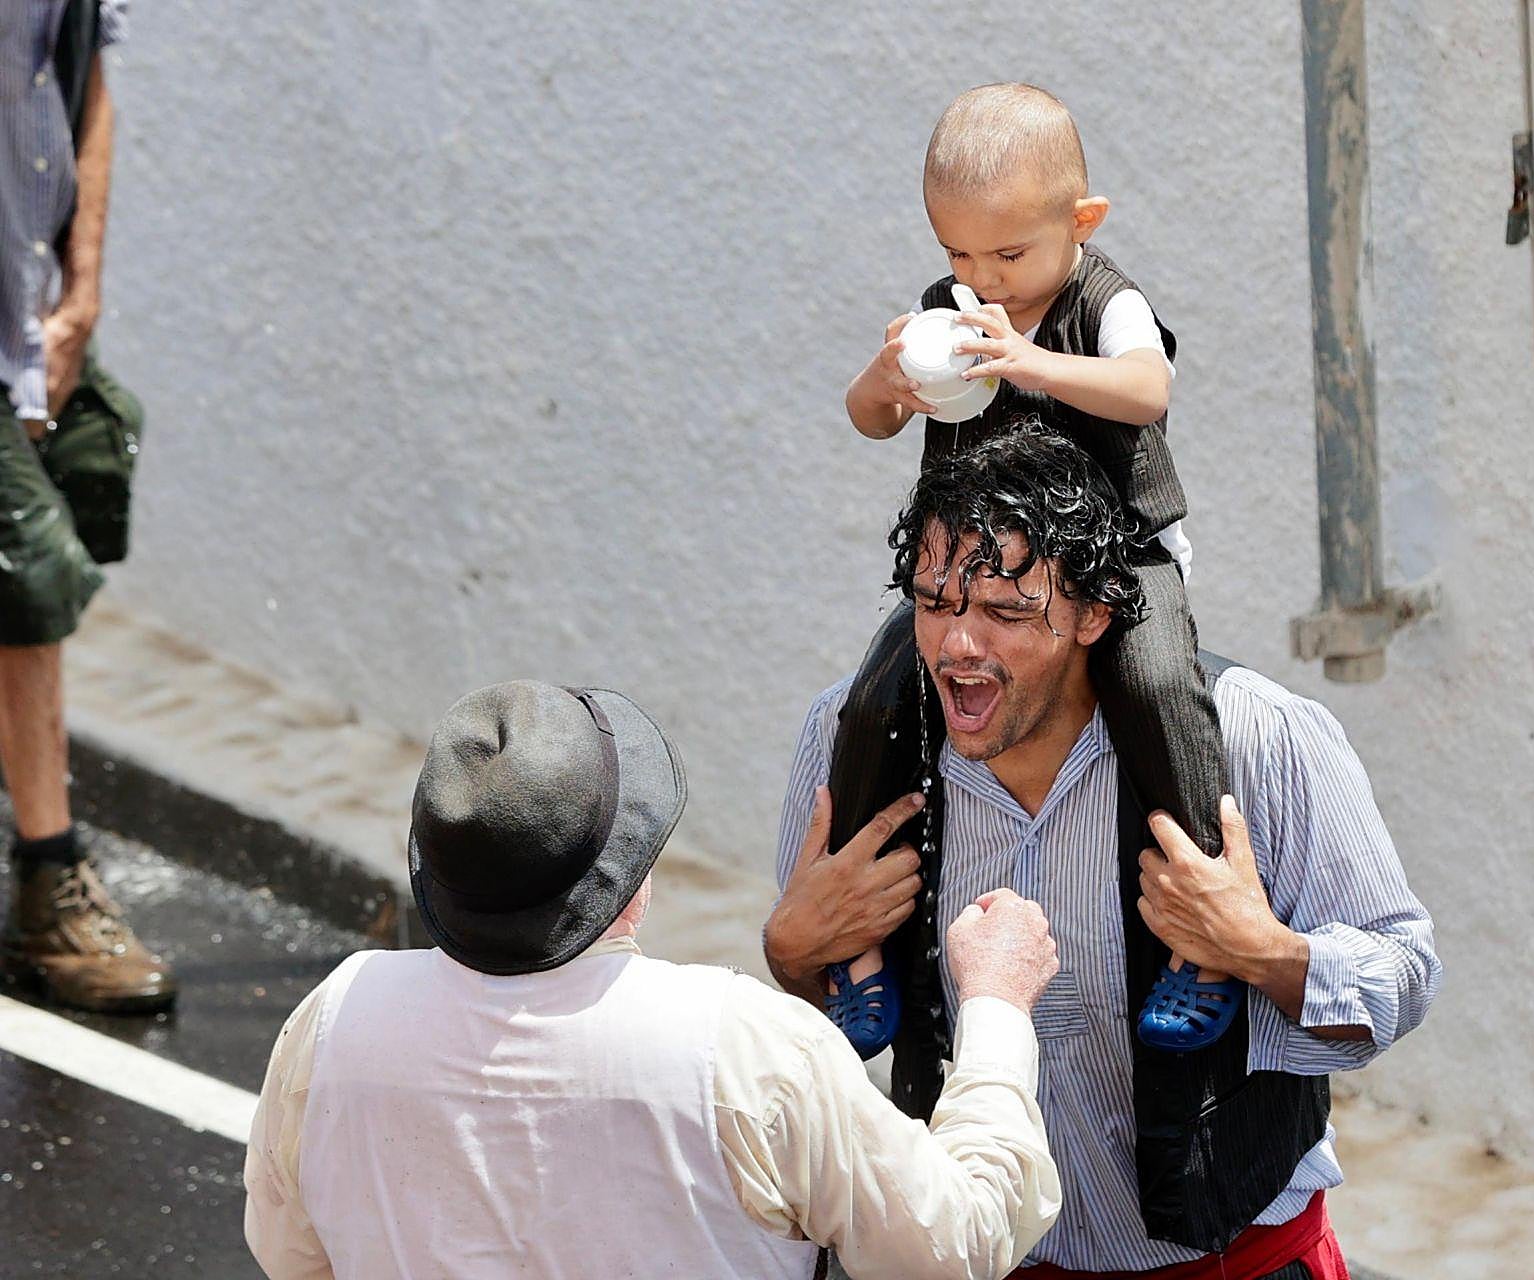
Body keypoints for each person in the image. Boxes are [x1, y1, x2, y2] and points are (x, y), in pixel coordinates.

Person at [766, 433, 1441, 1277]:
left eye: (1007, 613)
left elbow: (1404, 980)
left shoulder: (1258, 738)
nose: (956, 647)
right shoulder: (855, 744)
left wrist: (1262, 952)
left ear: (1093, 612)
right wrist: (790, 955)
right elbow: (816, 1040)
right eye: (935, 604)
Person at [244, 680, 1065, 1280]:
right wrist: (996, 1004)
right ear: (630, 877)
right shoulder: (742, 1046)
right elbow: (957, 1243)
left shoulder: (334, 1020)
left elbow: (294, 1258)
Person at [830, 81, 1235, 1059]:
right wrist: (890, 383)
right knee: (874, 704)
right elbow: (869, 417)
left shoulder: (1106, 300)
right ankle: (859, 938)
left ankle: (1205, 930)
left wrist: (1030, 361)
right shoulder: (955, 310)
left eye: (1009, 254)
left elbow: (1146, 388)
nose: (986, 279)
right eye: (959, 255)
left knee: (1156, 686)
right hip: (976, 577)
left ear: (1080, 221)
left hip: (1118, 559)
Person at [0, 0, 170, 1013]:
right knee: (33, 576)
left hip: (25, 307)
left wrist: (79, 295)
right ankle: (50, 884)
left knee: (61, 536)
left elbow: (82, 85)